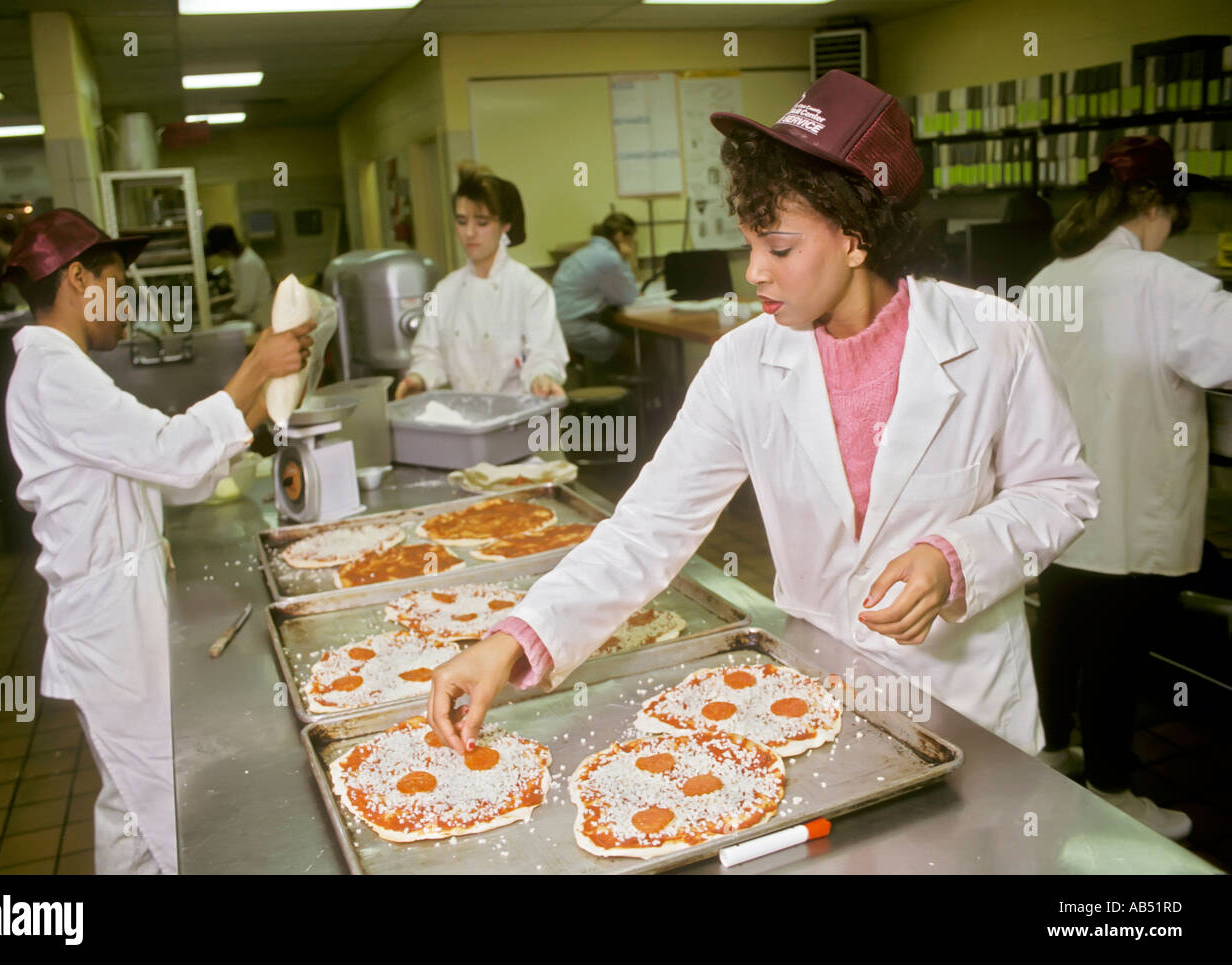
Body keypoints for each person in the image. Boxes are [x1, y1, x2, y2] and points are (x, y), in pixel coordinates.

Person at [427, 70, 1100, 758]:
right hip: (819, 698)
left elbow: (1061, 490)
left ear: (857, 238)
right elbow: (647, 530)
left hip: (968, 704)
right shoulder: (741, 365)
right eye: (749, 243)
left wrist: (955, 557)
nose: (753, 271)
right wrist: (516, 636)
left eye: (778, 248)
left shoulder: (992, 337)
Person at [3, 208, 315, 873]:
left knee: (133, 800)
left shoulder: (65, 370)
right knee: (159, 805)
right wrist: (256, 364)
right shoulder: (53, 374)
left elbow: (171, 474)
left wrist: (264, 393)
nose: (130, 303)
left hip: (119, 618)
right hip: (109, 629)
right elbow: (171, 454)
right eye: (120, 284)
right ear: (78, 278)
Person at [1026, 136, 1232, 840]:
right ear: (1153, 204)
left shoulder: (1050, 277)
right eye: (1174, 215)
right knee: (1118, 650)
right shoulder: (1167, 283)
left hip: (1054, 505)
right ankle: (1114, 788)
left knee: (1058, 630)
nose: (1171, 231)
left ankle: (1050, 751)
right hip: (1130, 502)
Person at [395, 162, 568, 399]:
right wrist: (420, 377)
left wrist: (542, 377)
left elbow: (544, 354)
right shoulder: (443, 291)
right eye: (462, 221)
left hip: (520, 422)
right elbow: (428, 353)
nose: (469, 233)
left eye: (482, 223)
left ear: (505, 226)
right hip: (468, 421)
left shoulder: (532, 290)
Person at [552, 212, 640, 366]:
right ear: (620, 237)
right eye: (631, 238)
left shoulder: (583, 253)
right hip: (576, 327)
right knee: (633, 349)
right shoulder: (609, 257)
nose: (632, 243)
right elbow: (628, 295)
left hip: (560, 325)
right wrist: (625, 259)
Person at [206, 223, 274, 330]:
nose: (220, 255)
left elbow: (245, 303)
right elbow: (239, 292)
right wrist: (215, 302)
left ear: (227, 247)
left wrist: (220, 320)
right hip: (253, 316)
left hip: (261, 317)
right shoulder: (236, 260)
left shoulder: (248, 263)